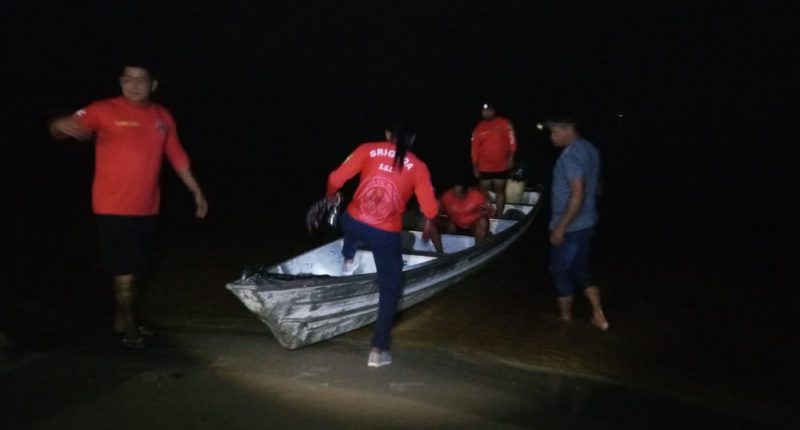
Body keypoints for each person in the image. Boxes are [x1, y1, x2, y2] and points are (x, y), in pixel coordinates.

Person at [48, 63, 208, 348]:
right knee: (124, 270)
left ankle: (121, 319)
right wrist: (57, 125)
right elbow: (63, 129)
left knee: (138, 267)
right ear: (121, 82)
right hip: (112, 204)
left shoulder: (162, 115)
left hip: (147, 206)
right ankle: (130, 326)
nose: (134, 85)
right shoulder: (102, 109)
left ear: (153, 85)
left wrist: (196, 191)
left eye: (141, 80)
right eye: (128, 79)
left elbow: (176, 154)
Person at [325, 124, 441, 367]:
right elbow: (430, 209)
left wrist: (331, 195)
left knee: (350, 222)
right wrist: (430, 222)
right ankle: (378, 350)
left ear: (388, 134)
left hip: (353, 223)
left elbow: (334, 179)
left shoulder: (367, 149)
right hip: (385, 235)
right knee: (390, 290)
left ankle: (348, 258)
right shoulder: (419, 167)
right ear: (412, 139)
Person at [546, 117, 608, 330]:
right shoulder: (590, 149)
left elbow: (578, 193)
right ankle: (598, 315)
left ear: (568, 130)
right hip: (588, 222)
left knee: (558, 270)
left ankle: (565, 321)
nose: (551, 136)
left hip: (571, 226)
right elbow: (597, 186)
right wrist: (590, 210)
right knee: (580, 269)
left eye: (554, 131)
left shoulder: (570, 156)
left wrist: (561, 226)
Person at [471, 102, 517, 218]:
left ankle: (500, 215)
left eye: (489, 110)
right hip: (484, 167)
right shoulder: (478, 128)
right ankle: (486, 215)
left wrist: (511, 158)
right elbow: (474, 149)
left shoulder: (505, 123)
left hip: (501, 166)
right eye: (484, 111)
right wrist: (475, 166)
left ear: (494, 111)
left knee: (500, 191)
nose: (487, 113)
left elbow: (512, 141)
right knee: (483, 193)